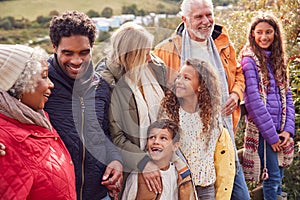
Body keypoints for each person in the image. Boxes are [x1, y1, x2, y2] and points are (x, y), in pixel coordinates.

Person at [153, 0, 250, 199]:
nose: (206, 21)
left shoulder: (223, 42)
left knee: (239, 195)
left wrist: (236, 94)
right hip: (188, 147)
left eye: (208, 14)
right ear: (185, 20)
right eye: (198, 16)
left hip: (222, 137)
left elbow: (238, 73)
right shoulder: (166, 51)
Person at [44, 11, 123, 200]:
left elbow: (103, 134)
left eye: (84, 52)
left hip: (98, 194)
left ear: (92, 47)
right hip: (57, 195)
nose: (77, 61)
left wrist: (115, 159)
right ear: (54, 47)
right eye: (68, 53)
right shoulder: (39, 85)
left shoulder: (101, 87)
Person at [95, 22, 167, 195]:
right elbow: (116, 137)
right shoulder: (109, 83)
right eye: (145, 53)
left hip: (164, 160)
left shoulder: (155, 67)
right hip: (133, 170)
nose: (150, 57)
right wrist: (144, 162)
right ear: (131, 56)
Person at [0, 44, 76, 199]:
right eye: (43, 76)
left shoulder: (36, 118)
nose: (51, 84)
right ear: (18, 86)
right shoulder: (4, 144)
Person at [159, 58, 235, 199]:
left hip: (206, 188)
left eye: (186, 78)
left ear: (200, 86)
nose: (179, 82)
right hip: (180, 186)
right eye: (179, 77)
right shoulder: (170, 114)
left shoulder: (212, 117)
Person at [240, 12, 295, 200]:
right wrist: (272, 137)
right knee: (271, 178)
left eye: (269, 32)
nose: (264, 37)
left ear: (275, 34)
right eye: (259, 32)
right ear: (253, 34)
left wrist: (288, 130)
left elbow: (288, 95)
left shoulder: (277, 60)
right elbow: (253, 101)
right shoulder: (249, 60)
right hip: (265, 132)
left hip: (280, 130)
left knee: (279, 176)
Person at [122, 119, 196, 199]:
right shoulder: (138, 176)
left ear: (175, 146)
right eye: (152, 137)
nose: (156, 141)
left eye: (163, 138)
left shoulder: (178, 174)